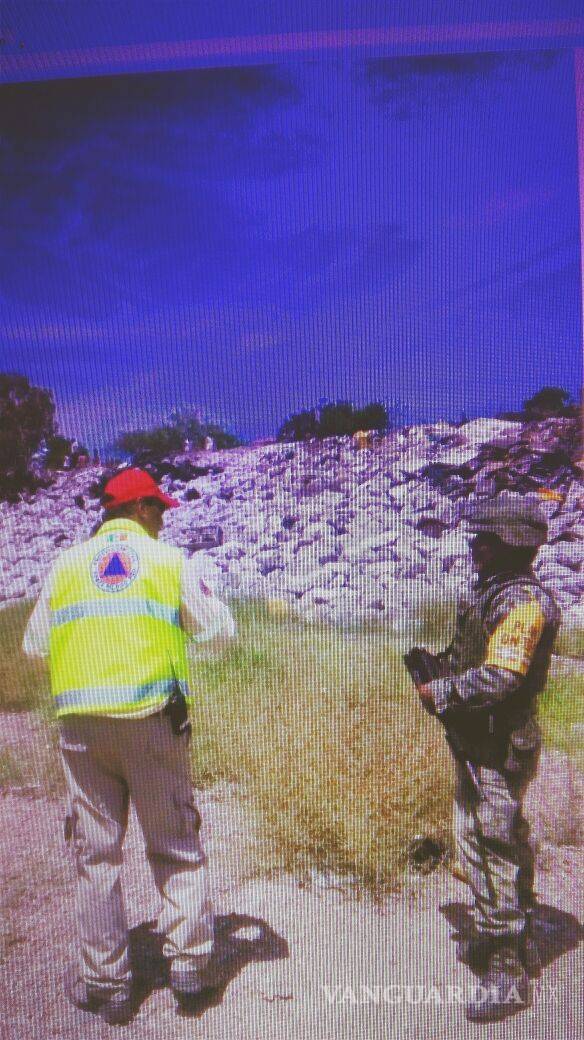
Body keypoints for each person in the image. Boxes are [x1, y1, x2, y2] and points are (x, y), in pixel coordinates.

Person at [22, 467, 237, 1024]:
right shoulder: (168, 561)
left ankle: (107, 985)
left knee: (96, 857)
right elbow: (219, 634)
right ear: (139, 509)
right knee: (175, 845)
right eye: (159, 508)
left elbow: (34, 647)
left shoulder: (65, 565)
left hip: (81, 729)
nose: (164, 519)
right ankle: (189, 967)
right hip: (150, 721)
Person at [415, 495, 562, 1023]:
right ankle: (509, 929)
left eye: (484, 538)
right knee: (489, 837)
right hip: (482, 739)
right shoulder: (496, 592)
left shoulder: (522, 602)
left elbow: (502, 677)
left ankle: (507, 967)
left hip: (498, 745)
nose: (474, 546)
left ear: (507, 544)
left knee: (490, 844)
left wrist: (442, 691)